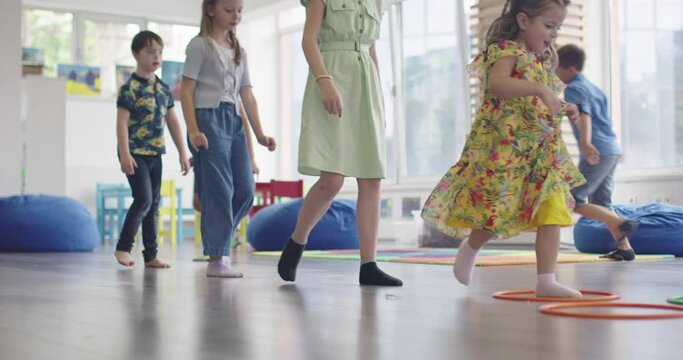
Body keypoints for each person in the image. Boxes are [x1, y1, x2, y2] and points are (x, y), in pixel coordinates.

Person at [422, 0, 585, 298]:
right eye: (549, 26)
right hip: (505, 149)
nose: (554, 34)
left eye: (558, 28)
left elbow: (537, 102)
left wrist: (563, 105)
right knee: (497, 210)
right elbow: (499, 84)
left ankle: (546, 280)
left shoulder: (540, 60)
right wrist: (540, 90)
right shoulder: (507, 50)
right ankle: (471, 247)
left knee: (553, 209)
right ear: (524, 21)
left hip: (539, 152)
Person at [277, 0, 402, 286]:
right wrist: (324, 81)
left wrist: (379, 101)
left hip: (365, 87)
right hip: (331, 80)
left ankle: (369, 265)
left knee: (372, 179)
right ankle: (297, 241)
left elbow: (370, 49)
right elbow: (309, 40)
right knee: (331, 180)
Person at [181, 0, 276, 278]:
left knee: (245, 189)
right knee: (219, 191)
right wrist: (193, 129)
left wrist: (259, 134)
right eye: (229, 10)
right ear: (211, 10)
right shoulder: (200, 46)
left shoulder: (239, 51)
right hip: (207, 119)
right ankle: (217, 256)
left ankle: (218, 239)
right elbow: (186, 91)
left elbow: (247, 95)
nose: (236, 16)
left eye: (240, 10)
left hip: (234, 120)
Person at [114, 30, 191, 268]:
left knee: (154, 204)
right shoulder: (130, 88)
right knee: (143, 200)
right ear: (137, 54)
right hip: (135, 152)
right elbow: (122, 123)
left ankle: (151, 255)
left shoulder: (163, 88)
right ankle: (123, 248)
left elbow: (173, 122)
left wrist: (182, 152)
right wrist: (125, 154)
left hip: (155, 153)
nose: (156, 56)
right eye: (150, 51)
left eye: (159, 51)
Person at [555, 44, 638, 261]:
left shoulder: (573, 88)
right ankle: (625, 248)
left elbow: (585, 115)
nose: (555, 73)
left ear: (570, 69)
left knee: (573, 199)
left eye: (557, 68)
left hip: (597, 150)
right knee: (602, 202)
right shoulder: (593, 88)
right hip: (611, 149)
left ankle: (620, 224)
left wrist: (585, 143)